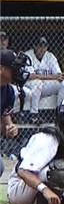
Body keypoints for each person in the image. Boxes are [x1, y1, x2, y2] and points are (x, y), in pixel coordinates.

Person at [23, 36, 64, 124]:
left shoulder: (50, 56)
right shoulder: (27, 55)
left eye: (45, 46)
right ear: (35, 46)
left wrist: (61, 76)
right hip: (30, 86)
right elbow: (31, 76)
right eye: (40, 46)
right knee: (37, 82)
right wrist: (53, 77)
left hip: (45, 86)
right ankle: (34, 115)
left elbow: (58, 74)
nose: (42, 49)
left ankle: (60, 112)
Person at [1, 49, 31, 177]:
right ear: (1, 69)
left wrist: (9, 128)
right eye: (13, 68)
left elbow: (5, 121)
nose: (18, 72)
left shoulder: (8, 92)